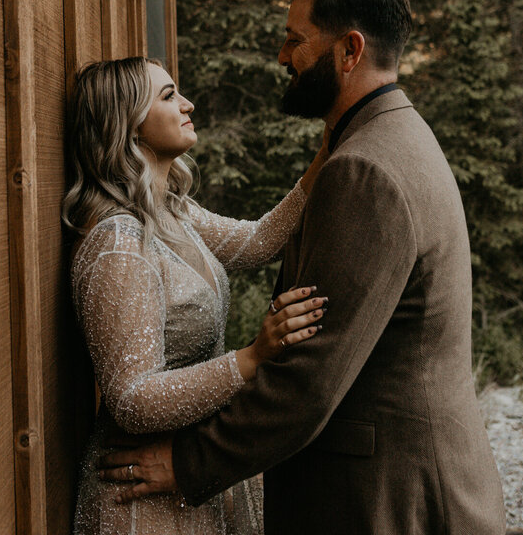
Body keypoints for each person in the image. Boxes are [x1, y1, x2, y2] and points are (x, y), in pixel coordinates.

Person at [98, 0, 506, 534]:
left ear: (349, 50)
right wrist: (323, 158)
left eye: (295, 40)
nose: (283, 56)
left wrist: (190, 462)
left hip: (386, 499)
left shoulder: (364, 169)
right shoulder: (391, 137)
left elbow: (310, 377)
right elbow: (257, 240)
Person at [63, 56, 331, 534]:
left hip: (188, 473)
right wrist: (252, 358)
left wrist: (330, 149)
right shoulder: (117, 244)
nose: (187, 104)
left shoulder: (172, 211)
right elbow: (131, 399)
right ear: (129, 125)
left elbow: (256, 243)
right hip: (139, 497)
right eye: (168, 96)